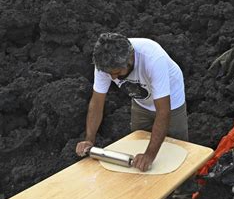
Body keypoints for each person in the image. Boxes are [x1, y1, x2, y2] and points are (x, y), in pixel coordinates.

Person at [75, 32, 188, 172]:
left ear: (130, 59)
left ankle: (183, 191)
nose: (112, 77)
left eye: (117, 73)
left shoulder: (153, 58)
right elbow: (97, 102)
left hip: (171, 101)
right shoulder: (104, 62)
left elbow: (163, 111)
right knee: (138, 145)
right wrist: (89, 140)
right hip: (141, 100)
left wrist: (149, 155)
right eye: (109, 74)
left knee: (176, 151)